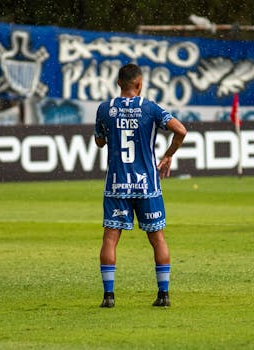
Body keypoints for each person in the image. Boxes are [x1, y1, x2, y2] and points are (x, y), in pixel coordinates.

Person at [94, 63, 187, 308]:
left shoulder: (105, 108)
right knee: (157, 238)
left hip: (117, 184)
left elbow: (99, 141)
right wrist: (168, 155)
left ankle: (108, 297)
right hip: (147, 184)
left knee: (110, 239)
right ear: (139, 83)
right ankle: (164, 294)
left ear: (118, 84)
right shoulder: (150, 108)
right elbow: (181, 130)